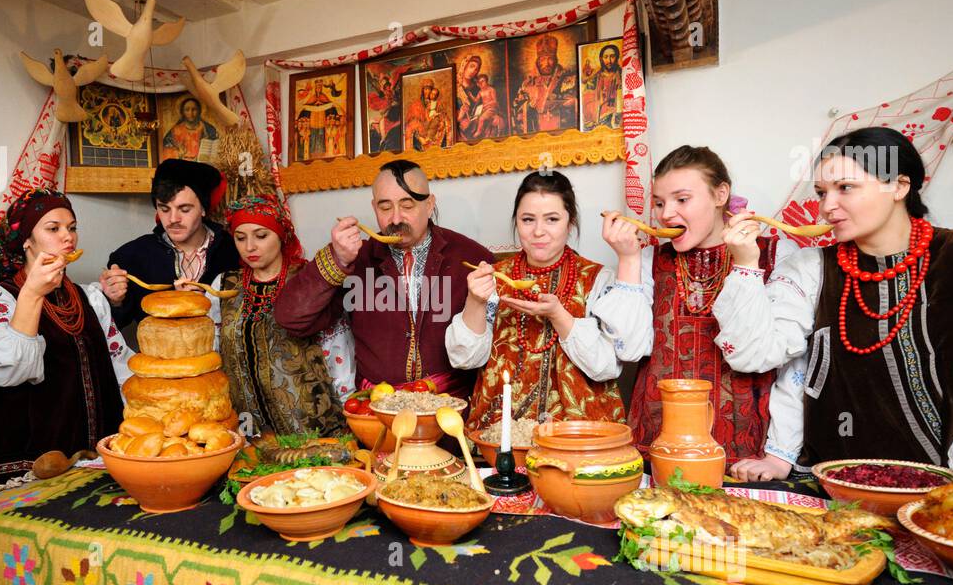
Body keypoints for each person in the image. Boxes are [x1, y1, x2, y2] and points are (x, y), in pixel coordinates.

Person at [712, 127, 953, 489]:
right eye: (822, 193)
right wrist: (746, 265)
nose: (827, 207)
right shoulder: (809, 269)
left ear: (899, 186)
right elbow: (755, 356)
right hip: (839, 487)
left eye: (846, 188)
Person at [595, 145, 789, 463]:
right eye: (659, 203)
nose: (666, 214)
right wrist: (628, 260)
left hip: (744, 457)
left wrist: (779, 456)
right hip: (654, 447)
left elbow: (788, 366)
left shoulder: (775, 255)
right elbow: (628, 350)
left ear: (720, 194)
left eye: (682, 199)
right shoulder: (645, 260)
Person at [276, 159, 491, 399]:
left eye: (407, 205)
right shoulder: (358, 260)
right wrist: (337, 259)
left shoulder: (470, 258)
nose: (396, 219)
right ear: (373, 206)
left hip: (449, 412)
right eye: (385, 207)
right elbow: (291, 319)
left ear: (430, 205)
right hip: (375, 415)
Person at [0, 188, 133, 478]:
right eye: (53, 228)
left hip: (97, 453)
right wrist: (31, 294)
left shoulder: (90, 298)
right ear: (26, 241)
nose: (67, 236)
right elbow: (5, 374)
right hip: (32, 460)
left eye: (71, 228)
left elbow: (120, 367)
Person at [448, 171, 628, 429]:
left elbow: (606, 366)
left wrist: (559, 315)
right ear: (516, 222)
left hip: (578, 431)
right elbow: (464, 359)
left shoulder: (598, 278)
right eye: (528, 219)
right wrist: (475, 301)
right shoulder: (495, 277)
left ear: (571, 222)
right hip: (501, 430)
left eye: (552, 219)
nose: (538, 231)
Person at [207, 194, 351, 437]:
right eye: (240, 238)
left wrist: (350, 414)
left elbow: (339, 354)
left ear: (282, 235)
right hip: (248, 434)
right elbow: (212, 351)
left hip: (314, 431)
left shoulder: (308, 280)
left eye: (261, 236)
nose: (249, 247)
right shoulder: (223, 285)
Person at [101, 158, 238, 333]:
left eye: (185, 209)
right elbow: (115, 326)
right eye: (164, 209)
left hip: (221, 359)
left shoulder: (233, 250)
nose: (173, 219)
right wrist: (115, 301)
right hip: (161, 357)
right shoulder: (132, 256)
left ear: (204, 209)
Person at [512, 34, 577, 133]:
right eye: (542, 59)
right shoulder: (527, 84)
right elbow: (516, 108)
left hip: (564, 133)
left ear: (556, 59)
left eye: (550, 58)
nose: (547, 63)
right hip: (536, 135)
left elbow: (578, 103)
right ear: (537, 61)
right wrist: (529, 105)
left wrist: (573, 102)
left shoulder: (569, 79)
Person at [160, 96, 218, 161]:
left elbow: (216, 148)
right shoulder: (176, 130)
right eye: (187, 110)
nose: (191, 113)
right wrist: (177, 153)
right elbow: (165, 150)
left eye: (194, 109)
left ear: (199, 111)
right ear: (182, 112)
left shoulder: (208, 130)